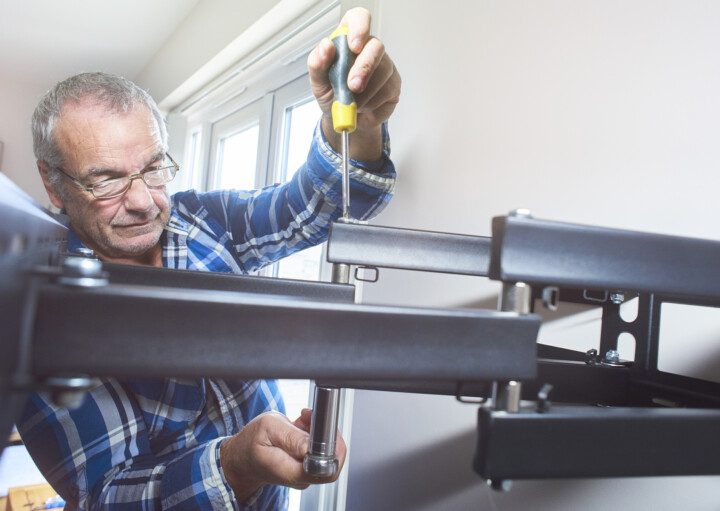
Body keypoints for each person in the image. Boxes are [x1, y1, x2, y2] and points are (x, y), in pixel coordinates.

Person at [17, 8, 401, 510]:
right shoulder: (33, 319)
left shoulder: (202, 220)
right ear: (54, 185)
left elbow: (314, 206)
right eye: (106, 180)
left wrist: (355, 125)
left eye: (154, 168)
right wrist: (235, 465)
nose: (143, 201)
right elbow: (107, 497)